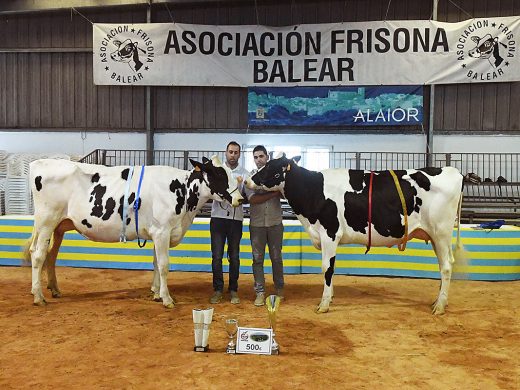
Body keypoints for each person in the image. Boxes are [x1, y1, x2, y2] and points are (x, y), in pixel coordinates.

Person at [209, 141, 249, 304]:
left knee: (235, 256)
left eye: (236, 152)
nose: (233, 155)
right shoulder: (217, 171)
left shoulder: (245, 173)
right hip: (218, 218)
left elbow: (248, 197)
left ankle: (233, 290)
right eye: (230, 152)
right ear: (225, 153)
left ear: (240, 154)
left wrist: (239, 199)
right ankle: (217, 289)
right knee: (217, 256)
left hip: (236, 220)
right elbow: (210, 191)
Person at [246, 145, 285, 307]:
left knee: (276, 258)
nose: (258, 160)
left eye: (261, 156)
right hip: (257, 225)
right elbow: (252, 199)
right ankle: (260, 292)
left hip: (275, 223)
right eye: (255, 157)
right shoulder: (250, 177)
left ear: (267, 157)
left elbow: (285, 192)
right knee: (257, 259)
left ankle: (279, 290)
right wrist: (273, 192)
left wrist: (270, 190)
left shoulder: (276, 175)